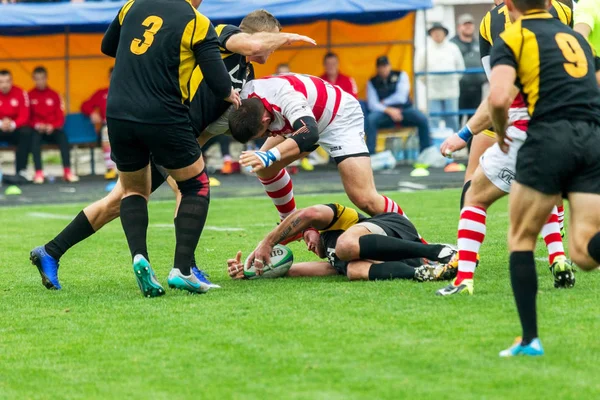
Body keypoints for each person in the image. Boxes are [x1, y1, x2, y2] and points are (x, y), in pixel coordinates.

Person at [29, 10, 315, 292]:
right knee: (187, 189)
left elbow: (210, 123)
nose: (272, 49)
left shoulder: (247, 73)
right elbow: (251, 45)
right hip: (165, 126)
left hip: (178, 134)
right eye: (271, 41)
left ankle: (50, 251)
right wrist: (289, 37)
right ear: (260, 34)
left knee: (117, 201)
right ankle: (186, 268)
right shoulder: (225, 35)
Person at [436, 0, 573, 297]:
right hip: (570, 127)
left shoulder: (502, 31)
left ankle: (464, 276)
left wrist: (468, 133)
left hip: (524, 125)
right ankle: (558, 257)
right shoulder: (569, 25)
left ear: (510, 5)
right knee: (543, 188)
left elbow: (500, 96)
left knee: (474, 193)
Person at [102, 0, 239, 296]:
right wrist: (232, 95)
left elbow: (108, 46)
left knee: (134, 190)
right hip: (163, 114)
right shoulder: (197, 21)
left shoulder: (132, 5)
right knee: (196, 185)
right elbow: (217, 81)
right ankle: (182, 270)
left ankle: (140, 256)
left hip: (117, 112)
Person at [488, 0, 600, 357]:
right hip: (592, 137)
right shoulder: (574, 38)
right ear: (550, 3)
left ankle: (529, 341)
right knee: (584, 253)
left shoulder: (513, 36)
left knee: (521, 236)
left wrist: (501, 130)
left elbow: (499, 96)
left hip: (549, 136)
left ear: (508, 5)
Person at [228, 73, 426, 259]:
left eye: (264, 132)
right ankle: (291, 223)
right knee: (263, 167)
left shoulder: (287, 98)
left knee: (364, 198)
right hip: (304, 121)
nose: (268, 135)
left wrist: (270, 155)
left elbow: (309, 133)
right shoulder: (244, 97)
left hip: (338, 117)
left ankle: (421, 245)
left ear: (264, 119)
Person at [228, 203, 456, 281]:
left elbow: (308, 214)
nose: (307, 244)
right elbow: (292, 271)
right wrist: (251, 272)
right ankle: (423, 273)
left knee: (345, 246)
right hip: (398, 255)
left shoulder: (335, 219)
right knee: (353, 271)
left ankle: (440, 250)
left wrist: (267, 242)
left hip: (392, 226)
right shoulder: (333, 257)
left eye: (306, 236)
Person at [365, 56, 431, 155]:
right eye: (381, 67)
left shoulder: (401, 75)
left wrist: (384, 102)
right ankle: (370, 155)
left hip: (404, 110)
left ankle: (426, 152)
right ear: (377, 68)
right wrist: (388, 110)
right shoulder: (372, 81)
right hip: (384, 113)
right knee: (370, 120)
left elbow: (401, 97)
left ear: (390, 66)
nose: (383, 69)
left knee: (422, 118)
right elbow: (372, 104)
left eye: (385, 66)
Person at [28, 66, 78, 184]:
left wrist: (52, 126)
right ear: (33, 79)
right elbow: (27, 117)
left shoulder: (55, 95)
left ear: (46, 78)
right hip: (38, 130)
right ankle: (38, 173)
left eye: (42, 78)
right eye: (37, 79)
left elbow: (60, 116)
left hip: (52, 129)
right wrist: (37, 125)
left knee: (63, 137)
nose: (40, 81)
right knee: (33, 138)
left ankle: (67, 172)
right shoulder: (29, 95)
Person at [416, 22, 464, 132]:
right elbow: (419, 70)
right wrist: (429, 82)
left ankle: (454, 145)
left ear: (444, 33)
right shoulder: (425, 50)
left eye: (439, 31)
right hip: (433, 91)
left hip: (451, 90)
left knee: (452, 118)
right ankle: (435, 145)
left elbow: (460, 68)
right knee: (433, 119)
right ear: (431, 34)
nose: (437, 34)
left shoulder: (453, 48)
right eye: (434, 32)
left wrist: (452, 79)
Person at [450, 14, 486, 122]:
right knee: (457, 118)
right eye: (465, 24)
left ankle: (471, 140)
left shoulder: (479, 42)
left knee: (475, 119)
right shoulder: (452, 45)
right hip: (459, 88)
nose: (468, 27)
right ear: (459, 27)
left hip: (477, 87)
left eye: (470, 24)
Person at [81, 68, 115, 180]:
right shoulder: (102, 93)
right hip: (108, 127)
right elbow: (85, 105)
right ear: (109, 77)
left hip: (127, 126)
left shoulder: (129, 92)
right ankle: (110, 169)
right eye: (111, 76)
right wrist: (92, 113)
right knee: (106, 131)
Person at [0, 69, 31, 178]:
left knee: (26, 132)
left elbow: (25, 115)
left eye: (7, 81)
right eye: (1, 82)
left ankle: (21, 171)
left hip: (15, 129)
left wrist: (12, 124)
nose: (4, 85)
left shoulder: (21, 93)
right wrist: (1, 124)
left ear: (11, 81)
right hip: (0, 128)